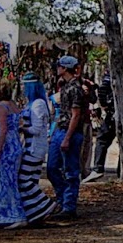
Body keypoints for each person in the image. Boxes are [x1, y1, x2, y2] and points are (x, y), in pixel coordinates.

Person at [46, 56, 90, 220]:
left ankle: (69, 206)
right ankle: (62, 198)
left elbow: (75, 115)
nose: (57, 69)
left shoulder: (75, 89)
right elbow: (62, 114)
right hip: (60, 130)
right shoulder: (64, 87)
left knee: (71, 171)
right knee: (51, 168)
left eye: (59, 66)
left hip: (70, 132)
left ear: (65, 68)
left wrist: (67, 138)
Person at [0, 76, 29, 227]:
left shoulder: (1, 107)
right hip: (15, 143)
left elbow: (3, 129)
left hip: (6, 146)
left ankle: (15, 215)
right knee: (6, 180)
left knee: (4, 181)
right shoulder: (13, 105)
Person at [18, 75, 56, 224]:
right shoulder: (33, 103)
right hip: (31, 147)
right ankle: (36, 213)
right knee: (32, 180)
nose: (23, 89)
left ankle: (47, 205)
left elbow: (37, 128)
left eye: (24, 86)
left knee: (23, 180)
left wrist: (22, 128)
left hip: (35, 149)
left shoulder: (38, 104)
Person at [83, 74, 116, 182]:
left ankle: (98, 168)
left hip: (113, 116)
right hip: (117, 115)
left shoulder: (109, 77)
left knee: (102, 140)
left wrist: (105, 106)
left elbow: (102, 91)